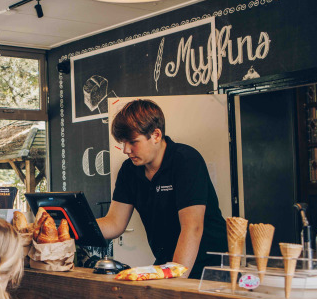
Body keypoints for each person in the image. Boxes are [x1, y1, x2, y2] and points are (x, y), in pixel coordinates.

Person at [96, 99, 227, 279]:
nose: (126, 150)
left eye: (133, 142)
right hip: (167, 262)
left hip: (209, 267)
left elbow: (192, 227)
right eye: (123, 142)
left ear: (156, 135)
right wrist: (72, 228)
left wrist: (174, 283)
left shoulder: (186, 161)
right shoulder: (129, 171)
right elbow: (114, 223)